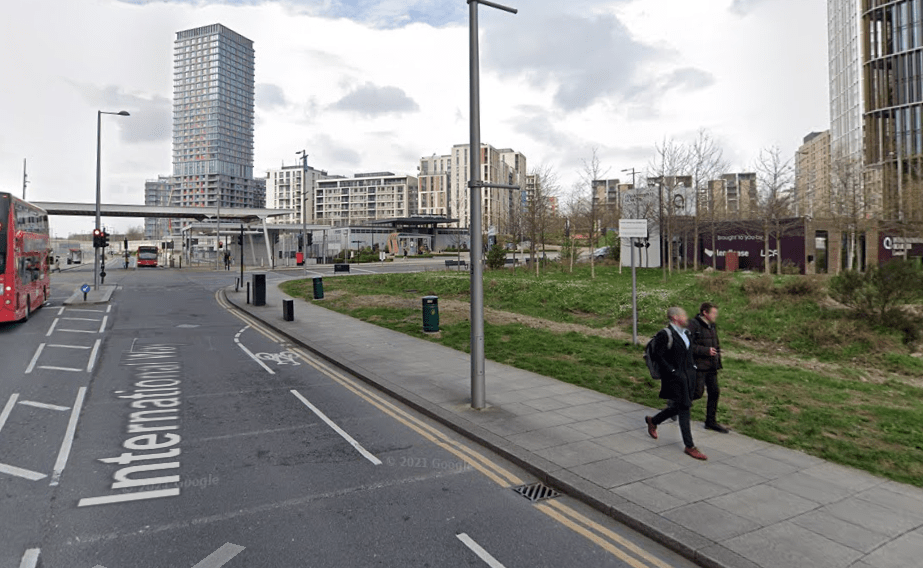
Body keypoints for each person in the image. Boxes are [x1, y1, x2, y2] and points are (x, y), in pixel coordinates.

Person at [644, 307, 708, 460]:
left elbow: (689, 352)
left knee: (678, 406)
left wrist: (694, 368)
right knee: (685, 407)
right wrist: (673, 372)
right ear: (674, 318)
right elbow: (658, 356)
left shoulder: (686, 333)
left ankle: (653, 421)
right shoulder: (665, 334)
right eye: (683, 315)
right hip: (674, 378)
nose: (686, 317)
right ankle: (690, 446)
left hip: (688, 376)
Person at [687, 302, 729, 433]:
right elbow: (687, 345)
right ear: (705, 313)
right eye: (714, 313)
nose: (716, 316)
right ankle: (674, 405)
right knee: (697, 393)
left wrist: (717, 355)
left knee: (714, 392)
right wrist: (705, 351)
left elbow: (714, 342)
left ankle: (710, 422)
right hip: (698, 366)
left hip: (711, 365)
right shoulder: (693, 325)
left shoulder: (712, 325)